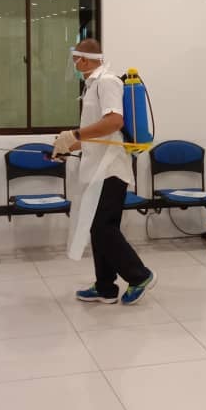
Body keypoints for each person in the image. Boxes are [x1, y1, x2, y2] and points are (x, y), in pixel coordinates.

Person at [52, 39, 155, 304]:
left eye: (75, 60)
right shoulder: (92, 86)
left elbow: (114, 122)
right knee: (97, 227)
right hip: (96, 168)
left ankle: (139, 276)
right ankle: (105, 287)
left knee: (103, 227)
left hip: (111, 169)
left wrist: (74, 134)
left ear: (84, 60)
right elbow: (96, 133)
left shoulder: (107, 82)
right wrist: (65, 146)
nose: (74, 65)